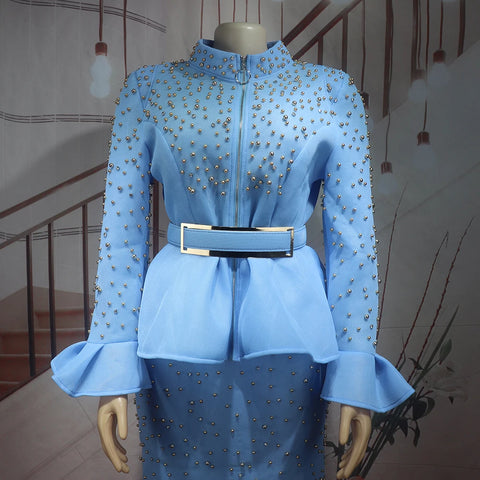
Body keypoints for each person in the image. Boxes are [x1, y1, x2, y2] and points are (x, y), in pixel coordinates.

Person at [52, 22, 414, 479]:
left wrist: (355, 371)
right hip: (176, 337)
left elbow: (354, 245)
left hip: (292, 339)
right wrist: (114, 362)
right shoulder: (149, 90)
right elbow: (122, 237)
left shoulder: (331, 93)